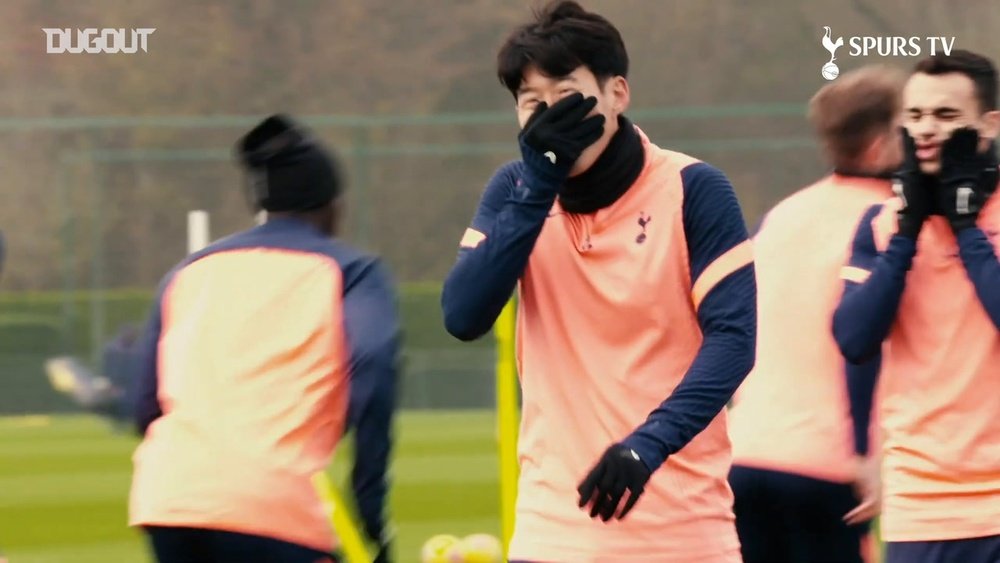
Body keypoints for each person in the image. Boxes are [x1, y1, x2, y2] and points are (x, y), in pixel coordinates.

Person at [441, 2, 756, 560]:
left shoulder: (695, 188)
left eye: (566, 96)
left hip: (683, 534)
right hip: (549, 534)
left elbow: (734, 341)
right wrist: (539, 187)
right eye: (532, 103)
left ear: (617, 93)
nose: (550, 116)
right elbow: (463, 316)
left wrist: (646, 447)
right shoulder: (515, 190)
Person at [128, 114, 400, 563]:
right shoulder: (353, 271)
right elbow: (373, 369)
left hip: (169, 500)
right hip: (275, 505)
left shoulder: (189, 271)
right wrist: (369, 511)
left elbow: (146, 405)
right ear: (333, 205)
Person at [726, 65, 904, 563]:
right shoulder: (893, 224)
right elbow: (860, 346)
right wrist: (868, 454)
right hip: (831, 468)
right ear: (878, 146)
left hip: (745, 455)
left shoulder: (781, 216)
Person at [833, 50, 1000, 563]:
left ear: (988, 126)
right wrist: (907, 234)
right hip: (918, 510)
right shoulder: (880, 225)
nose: (927, 129)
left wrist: (967, 228)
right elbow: (854, 339)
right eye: (916, 115)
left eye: (947, 116)